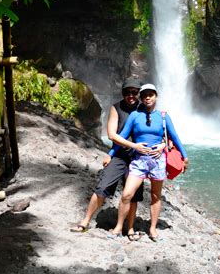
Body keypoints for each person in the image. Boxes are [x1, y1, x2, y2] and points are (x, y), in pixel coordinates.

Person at [70, 79, 164, 240]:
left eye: (134, 92)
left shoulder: (145, 109)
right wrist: (118, 151)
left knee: (133, 195)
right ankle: (85, 221)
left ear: (139, 94)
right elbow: (112, 135)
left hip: (139, 158)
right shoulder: (116, 108)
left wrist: (162, 145)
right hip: (120, 154)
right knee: (103, 186)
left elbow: (160, 132)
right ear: (122, 93)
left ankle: (130, 228)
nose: (131, 96)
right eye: (127, 92)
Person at [109, 83, 188, 241]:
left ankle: (152, 229)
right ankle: (118, 227)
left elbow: (174, 137)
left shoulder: (164, 116)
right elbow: (122, 137)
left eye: (150, 95)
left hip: (158, 161)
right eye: (144, 95)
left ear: (156, 96)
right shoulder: (134, 116)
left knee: (155, 196)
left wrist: (185, 157)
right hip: (139, 161)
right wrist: (110, 154)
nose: (147, 98)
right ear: (141, 98)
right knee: (127, 195)